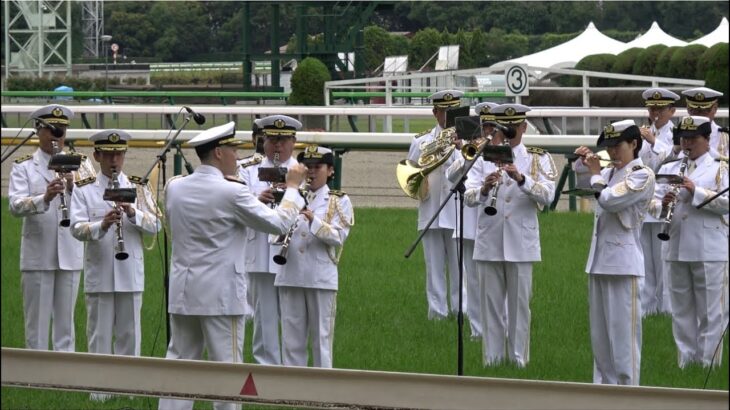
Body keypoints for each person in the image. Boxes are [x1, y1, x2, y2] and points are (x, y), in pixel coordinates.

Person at [159, 122, 307, 410]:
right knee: (228, 374)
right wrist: (291, 189)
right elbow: (277, 223)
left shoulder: (175, 187)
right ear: (217, 153)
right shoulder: (231, 192)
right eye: (232, 150)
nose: (236, 158)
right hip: (222, 296)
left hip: (184, 291)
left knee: (179, 368)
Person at [69, 129, 161, 402]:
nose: (114, 161)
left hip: (130, 273)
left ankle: (130, 392)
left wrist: (133, 212)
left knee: (130, 336)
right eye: (108, 155)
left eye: (119, 154)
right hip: (100, 273)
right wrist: (103, 224)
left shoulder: (138, 186)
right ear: (96, 155)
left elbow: (156, 224)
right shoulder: (85, 190)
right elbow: (76, 228)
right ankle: (100, 394)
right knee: (99, 335)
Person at [464, 103, 556, 367]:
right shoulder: (482, 156)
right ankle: (492, 360)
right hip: (489, 239)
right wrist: (483, 189)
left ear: (524, 127)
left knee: (519, 307)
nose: (509, 132)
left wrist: (522, 179)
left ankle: (519, 361)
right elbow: (467, 197)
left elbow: (548, 196)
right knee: (490, 307)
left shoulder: (537, 158)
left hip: (521, 242)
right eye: (505, 127)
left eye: (514, 127)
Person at [573, 120, 655, 385]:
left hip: (623, 263)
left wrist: (596, 173)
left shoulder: (641, 174)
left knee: (624, 338)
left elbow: (608, 200)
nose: (612, 152)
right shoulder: (609, 173)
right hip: (598, 261)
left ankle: (628, 390)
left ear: (633, 144)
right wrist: (583, 162)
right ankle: (603, 389)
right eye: (608, 147)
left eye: (616, 146)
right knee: (600, 337)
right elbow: (587, 183)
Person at [8, 104, 93, 352]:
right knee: (37, 322)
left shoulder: (81, 165)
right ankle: (36, 377)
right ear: (38, 130)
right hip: (38, 254)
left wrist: (72, 186)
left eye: (62, 131)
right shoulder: (23, 166)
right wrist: (43, 198)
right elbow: (14, 206)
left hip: (69, 251)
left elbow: (94, 202)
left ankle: (63, 377)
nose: (58, 136)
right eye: (52, 130)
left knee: (65, 324)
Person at [651, 116, 728, 368]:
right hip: (675, 243)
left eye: (693, 139)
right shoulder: (671, 167)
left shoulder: (721, 167)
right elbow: (651, 203)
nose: (687, 144)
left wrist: (696, 191)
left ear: (707, 139)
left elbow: (726, 204)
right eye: (683, 139)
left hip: (709, 247)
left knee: (710, 311)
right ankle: (686, 361)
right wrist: (661, 205)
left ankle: (708, 364)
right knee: (681, 310)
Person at [275, 144, 354, 368]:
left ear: (330, 170)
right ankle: (293, 391)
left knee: (321, 338)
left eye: (317, 166)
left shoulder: (339, 200)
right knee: (291, 340)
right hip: (290, 273)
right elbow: (273, 232)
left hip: (320, 276)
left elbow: (339, 237)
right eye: (307, 166)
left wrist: (313, 221)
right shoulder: (291, 196)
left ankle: (323, 390)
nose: (311, 171)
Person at [237, 114, 302, 365]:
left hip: (293, 253)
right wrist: (257, 200)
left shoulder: (303, 170)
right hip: (260, 253)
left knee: (293, 316)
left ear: (293, 141)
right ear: (263, 141)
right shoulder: (247, 170)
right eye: (273, 139)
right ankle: (267, 368)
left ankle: (293, 367)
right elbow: (238, 207)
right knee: (264, 317)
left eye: (283, 140)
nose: (278, 145)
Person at [407, 89, 465, 320]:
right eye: (445, 112)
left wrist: (459, 148)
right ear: (435, 113)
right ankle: (437, 313)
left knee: (459, 266)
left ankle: (461, 310)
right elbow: (411, 173)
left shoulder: (468, 140)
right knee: (434, 266)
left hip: (458, 209)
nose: (449, 116)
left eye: (454, 111)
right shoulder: (421, 141)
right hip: (431, 208)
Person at [445, 101, 498, 339]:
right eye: (484, 126)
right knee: (474, 283)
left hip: (495, 226)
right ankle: (478, 332)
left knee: (495, 284)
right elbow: (451, 176)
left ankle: (497, 330)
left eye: (491, 126)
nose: (487, 131)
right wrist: (467, 154)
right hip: (468, 225)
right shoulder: (469, 148)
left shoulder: (504, 149)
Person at [637, 88, 679, 316]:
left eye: (659, 109)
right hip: (644, 202)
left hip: (665, 200)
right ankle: (647, 307)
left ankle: (665, 308)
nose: (654, 113)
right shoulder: (642, 133)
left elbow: (676, 159)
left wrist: (654, 142)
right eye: (651, 108)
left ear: (671, 111)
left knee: (662, 260)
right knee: (645, 259)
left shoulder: (677, 135)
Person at [682, 87, 728, 159]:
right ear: (687, 108)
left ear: (715, 108)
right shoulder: (680, 135)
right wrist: (676, 150)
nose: (698, 114)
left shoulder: (726, 137)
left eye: (705, 110)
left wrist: (707, 149)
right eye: (693, 110)